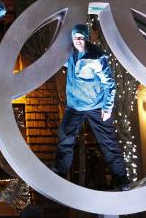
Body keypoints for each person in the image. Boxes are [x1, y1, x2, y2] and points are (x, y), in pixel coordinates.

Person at [51, 24, 130, 191]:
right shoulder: (70, 54)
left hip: (96, 106)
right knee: (65, 135)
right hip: (74, 106)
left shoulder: (96, 56)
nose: (78, 41)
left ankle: (121, 178)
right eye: (75, 38)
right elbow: (57, 60)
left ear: (86, 38)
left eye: (81, 37)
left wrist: (107, 107)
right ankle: (60, 171)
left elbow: (109, 83)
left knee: (108, 142)